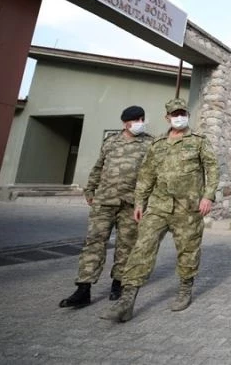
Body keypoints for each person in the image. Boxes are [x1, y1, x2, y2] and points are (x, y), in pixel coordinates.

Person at [101, 97, 219, 322]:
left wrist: (208, 196)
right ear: (167, 118)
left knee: (188, 250)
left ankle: (185, 288)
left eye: (182, 113)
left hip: (188, 207)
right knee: (142, 247)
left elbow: (212, 169)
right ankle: (126, 301)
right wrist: (139, 202)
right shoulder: (157, 144)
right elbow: (146, 175)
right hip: (158, 205)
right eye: (175, 114)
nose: (179, 117)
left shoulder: (199, 141)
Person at [59, 105, 153, 309]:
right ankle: (83, 288)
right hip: (104, 201)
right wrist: (89, 190)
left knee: (126, 244)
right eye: (135, 119)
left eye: (141, 119)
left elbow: (152, 174)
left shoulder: (149, 143)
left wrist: (145, 200)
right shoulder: (111, 142)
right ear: (125, 123)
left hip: (131, 203)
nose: (140, 122)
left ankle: (118, 283)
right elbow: (98, 167)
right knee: (94, 242)